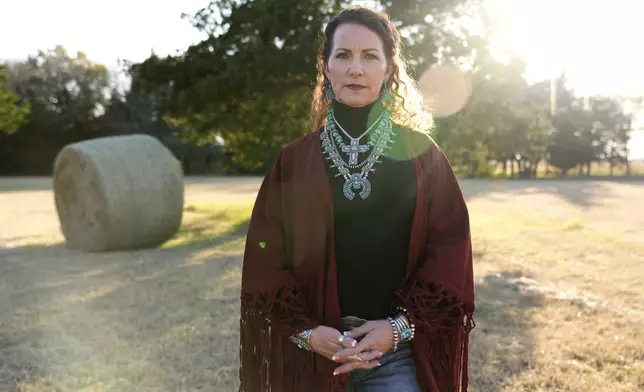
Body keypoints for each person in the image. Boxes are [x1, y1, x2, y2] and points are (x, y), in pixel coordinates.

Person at [239, 6, 475, 392]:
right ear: (326, 67)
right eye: (343, 55)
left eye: (370, 56)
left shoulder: (421, 155)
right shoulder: (294, 161)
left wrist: (398, 329)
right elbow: (266, 257)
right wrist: (307, 333)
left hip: (392, 352)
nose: (356, 68)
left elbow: (449, 252)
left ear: (389, 70)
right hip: (313, 355)